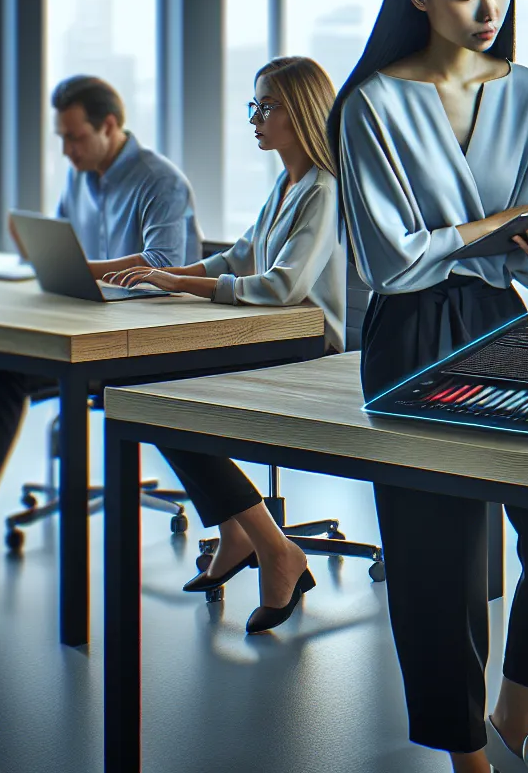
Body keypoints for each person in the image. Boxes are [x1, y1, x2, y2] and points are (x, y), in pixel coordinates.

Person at [334, 0, 528, 773]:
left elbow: (520, 261)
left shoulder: (527, 93)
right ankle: (470, 762)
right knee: (435, 566)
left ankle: (512, 724)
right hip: (411, 336)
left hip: (499, 325)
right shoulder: (369, 102)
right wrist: (496, 224)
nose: (489, 11)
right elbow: (390, 263)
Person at [104, 56, 346, 633]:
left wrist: (180, 283)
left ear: (303, 112)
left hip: (305, 342)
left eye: (268, 107)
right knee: (149, 390)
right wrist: (167, 277)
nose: (256, 118)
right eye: (253, 106)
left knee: (156, 392)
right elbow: (236, 259)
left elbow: (285, 286)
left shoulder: (324, 188)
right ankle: (245, 532)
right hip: (268, 335)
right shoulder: (286, 184)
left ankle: (270, 545)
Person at [0, 75, 200, 556]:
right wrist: (44, 256)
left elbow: (163, 265)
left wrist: (80, 267)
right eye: (62, 139)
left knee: (5, 369)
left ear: (109, 126)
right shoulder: (80, 176)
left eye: (74, 138)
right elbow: (63, 251)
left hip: (140, 340)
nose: (67, 151)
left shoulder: (161, 181)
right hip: (85, 325)